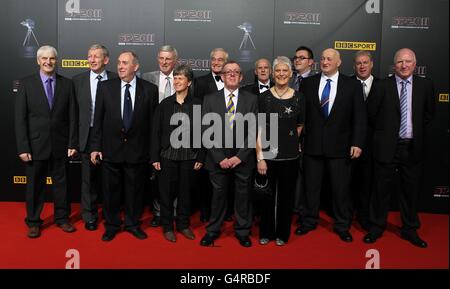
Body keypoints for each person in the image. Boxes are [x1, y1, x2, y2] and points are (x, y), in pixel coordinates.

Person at [363, 48, 434, 248]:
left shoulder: (425, 85)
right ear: (394, 65)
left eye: (408, 61)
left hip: (412, 147)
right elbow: (371, 115)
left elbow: (428, 115)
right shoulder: (382, 86)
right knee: (380, 189)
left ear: (415, 63)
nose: (404, 65)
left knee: (410, 191)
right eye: (400, 62)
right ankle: (376, 227)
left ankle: (410, 229)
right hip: (386, 147)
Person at [295, 48, 366, 242]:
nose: (325, 61)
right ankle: (308, 221)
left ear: (339, 62)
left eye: (329, 59)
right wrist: (298, 141)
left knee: (340, 189)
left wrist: (357, 142)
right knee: (311, 188)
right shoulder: (308, 84)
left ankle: (343, 225)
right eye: (323, 58)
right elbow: (301, 116)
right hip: (312, 146)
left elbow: (359, 117)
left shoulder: (352, 85)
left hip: (341, 147)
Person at [90, 51, 158, 241]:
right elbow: (98, 120)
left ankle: (132, 224)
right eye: (119, 62)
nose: (120, 66)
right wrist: (95, 146)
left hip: (138, 151)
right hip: (110, 150)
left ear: (135, 67)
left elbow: (153, 126)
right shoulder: (105, 88)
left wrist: (153, 154)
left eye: (125, 63)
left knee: (135, 191)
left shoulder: (149, 90)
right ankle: (111, 225)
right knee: (111, 191)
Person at [15, 45, 78, 238]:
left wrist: (72, 143)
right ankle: (33, 222)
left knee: (62, 185)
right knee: (35, 186)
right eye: (44, 59)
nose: (48, 62)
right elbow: (20, 119)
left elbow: (73, 117)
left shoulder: (67, 84)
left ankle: (62, 218)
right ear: (38, 61)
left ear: (56, 61)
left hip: (60, 145)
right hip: (35, 146)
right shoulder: (26, 84)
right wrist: (23, 147)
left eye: (51, 59)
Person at [200, 61, 258, 247]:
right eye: (228, 72)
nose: (232, 75)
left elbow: (254, 131)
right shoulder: (209, 99)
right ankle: (213, 230)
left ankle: (242, 231)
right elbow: (205, 131)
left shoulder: (252, 99)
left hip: (243, 159)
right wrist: (220, 158)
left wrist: (239, 156)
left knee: (243, 196)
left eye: (236, 72)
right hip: (218, 160)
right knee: (217, 197)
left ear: (241, 77)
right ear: (222, 76)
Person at [151, 64, 204, 242]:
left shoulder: (198, 104)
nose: (177, 81)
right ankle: (167, 227)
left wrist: (201, 156)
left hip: (190, 156)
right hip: (167, 156)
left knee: (185, 193)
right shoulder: (165, 104)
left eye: (181, 78)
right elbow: (155, 132)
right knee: (166, 193)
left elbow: (205, 133)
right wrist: (154, 157)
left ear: (189, 82)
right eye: (175, 78)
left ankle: (183, 224)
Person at [256, 56, 304, 246]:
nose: (281, 74)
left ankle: (282, 233)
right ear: (273, 74)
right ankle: (266, 231)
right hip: (268, 156)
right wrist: (260, 157)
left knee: (286, 197)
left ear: (291, 74)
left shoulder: (300, 97)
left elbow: (300, 126)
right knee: (267, 196)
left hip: (290, 157)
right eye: (278, 71)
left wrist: (290, 142)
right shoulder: (264, 97)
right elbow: (258, 129)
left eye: (285, 71)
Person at [73, 44, 117, 231]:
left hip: (110, 136)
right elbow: (72, 114)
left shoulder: (117, 78)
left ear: (106, 60)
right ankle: (89, 215)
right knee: (88, 178)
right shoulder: (77, 81)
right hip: (87, 135)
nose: (91, 59)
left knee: (109, 178)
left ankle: (110, 214)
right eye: (89, 56)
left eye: (96, 56)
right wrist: (73, 141)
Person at [142, 45, 179, 227]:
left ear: (175, 61)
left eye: (168, 59)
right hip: (153, 134)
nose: (164, 62)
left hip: (179, 136)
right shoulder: (147, 77)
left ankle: (174, 211)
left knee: (176, 177)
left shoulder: (184, 79)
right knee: (156, 176)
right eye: (161, 58)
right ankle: (158, 212)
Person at [194, 48, 230, 223]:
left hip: (231, 139)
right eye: (213, 59)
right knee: (207, 180)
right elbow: (197, 113)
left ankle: (227, 212)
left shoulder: (233, 80)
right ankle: (206, 212)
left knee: (228, 179)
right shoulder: (200, 82)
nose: (216, 62)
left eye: (220, 60)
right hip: (208, 138)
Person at [350, 50, 379, 231]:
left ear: (371, 64)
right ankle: (344, 213)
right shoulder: (346, 83)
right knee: (346, 182)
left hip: (372, 144)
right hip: (348, 142)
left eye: (365, 62)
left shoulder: (382, 85)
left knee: (368, 182)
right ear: (354, 66)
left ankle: (364, 215)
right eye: (359, 63)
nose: (362, 66)